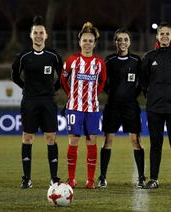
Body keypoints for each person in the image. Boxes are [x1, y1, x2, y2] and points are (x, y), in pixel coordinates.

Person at [11, 15, 62, 189]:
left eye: (41, 33)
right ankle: (26, 178)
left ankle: (54, 178)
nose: (38, 35)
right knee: (27, 137)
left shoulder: (53, 56)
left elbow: (62, 78)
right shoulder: (23, 56)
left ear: (46, 35)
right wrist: (27, 88)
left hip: (48, 101)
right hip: (29, 101)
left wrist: (51, 91)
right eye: (36, 33)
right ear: (31, 35)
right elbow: (14, 76)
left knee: (50, 137)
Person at [141, 22, 171, 189]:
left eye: (167, 34)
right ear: (157, 36)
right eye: (162, 34)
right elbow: (144, 82)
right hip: (154, 108)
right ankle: (154, 179)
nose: (165, 37)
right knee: (156, 144)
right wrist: (153, 96)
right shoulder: (149, 57)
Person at [60, 22, 106, 189]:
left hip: (92, 109)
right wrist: (71, 95)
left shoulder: (99, 63)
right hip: (74, 108)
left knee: (91, 141)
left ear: (94, 43)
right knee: (73, 141)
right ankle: (71, 179)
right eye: (85, 40)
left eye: (90, 41)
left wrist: (93, 95)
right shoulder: (72, 60)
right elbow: (63, 80)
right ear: (80, 42)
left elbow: (102, 82)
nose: (87, 43)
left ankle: (90, 180)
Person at [98, 28, 145, 189]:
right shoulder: (109, 60)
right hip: (113, 106)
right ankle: (102, 177)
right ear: (115, 42)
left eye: (125, 39)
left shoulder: (137, 60)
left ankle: (140, 177)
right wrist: (112, 93)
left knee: (136, 140)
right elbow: (101, 81)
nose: (123, 42)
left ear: (130, 42)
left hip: (131, 106)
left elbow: (143, 82)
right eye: (119, 39)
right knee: (108, 140)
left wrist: (133, 94)